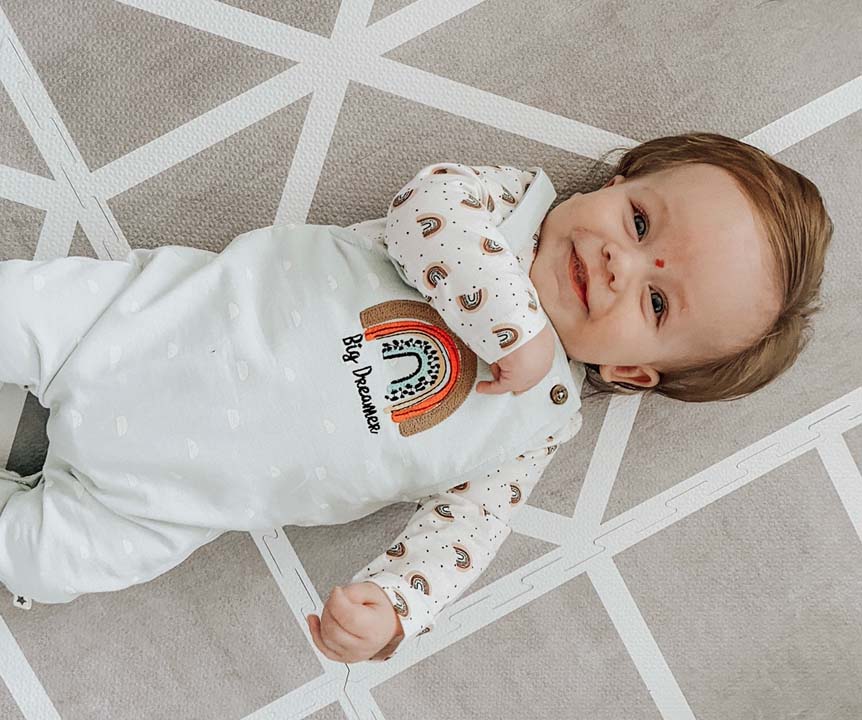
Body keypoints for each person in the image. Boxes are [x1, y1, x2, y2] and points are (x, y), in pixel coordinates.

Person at [0, 133, 832, 665]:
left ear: (633, 373)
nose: (622, 263)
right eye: (641, 223)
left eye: (655, 303)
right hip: (145, 323)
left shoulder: (536, 422)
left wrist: (396, 606)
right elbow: (421, 205)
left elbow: (468, 531)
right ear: (617, 181)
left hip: (179, 495)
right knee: (21, 310)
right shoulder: (502, 210)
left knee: (50, 559)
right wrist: (512, 328)